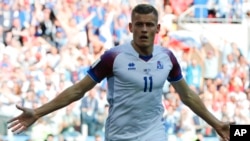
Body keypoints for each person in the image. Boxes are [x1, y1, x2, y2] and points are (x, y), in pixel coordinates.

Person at [7, 3, 232, 141]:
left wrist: (217, 124)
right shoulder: (113, 57)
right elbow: (77, 90)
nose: (144, 29)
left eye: (149, 25)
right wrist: (38, 112)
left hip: (154, 134)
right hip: (119, 136)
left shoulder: (168, 58)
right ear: (130, 27)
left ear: (158, 29)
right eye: (140, 24)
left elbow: (188, 95)